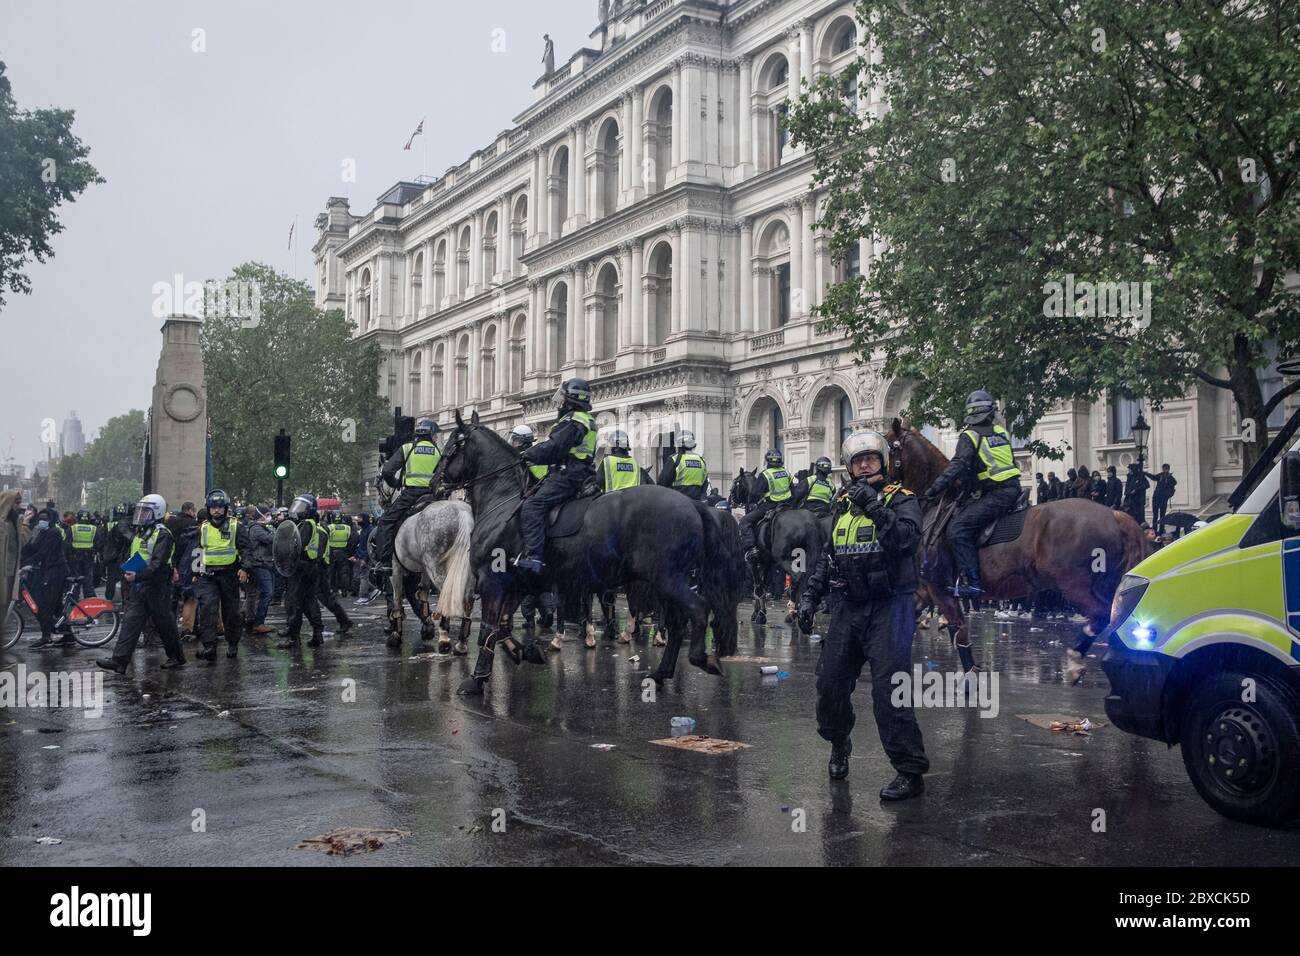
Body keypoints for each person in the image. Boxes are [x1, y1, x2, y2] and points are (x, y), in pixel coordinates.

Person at [797, 430, 928, 799]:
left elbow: (906, 540)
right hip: (848, 606)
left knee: (890, 691)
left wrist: (874, 506)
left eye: (871, 458)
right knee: (829, 687)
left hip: (890, 606)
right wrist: (809, 596)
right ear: (850, 467)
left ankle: (909, 772)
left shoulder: (902, 498)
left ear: (882, 462)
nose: (865, 465)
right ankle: (840, 741)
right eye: (858, 461)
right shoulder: (842, 504)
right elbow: (828, 556)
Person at [919, 390, 1023, 596]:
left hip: (995, 495)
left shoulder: (970, 436)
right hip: (1014, 489)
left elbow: (959, 465)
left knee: (958, 529)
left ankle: (973, 581)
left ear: (970, 414)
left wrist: (933, 490)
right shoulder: (1001, 432)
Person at [517, 379, 598, 575]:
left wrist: (527, 454)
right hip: (581, 472)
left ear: (572, 399)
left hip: (569, 474)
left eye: (563, 397)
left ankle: (534, 556)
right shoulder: (585, 418)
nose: (560, 402)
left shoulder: (573, 420)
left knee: (532, 505)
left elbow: (554, 448)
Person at [97, 495, 185, 673]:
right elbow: (137, 554)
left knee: (165, 623)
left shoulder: (163, 535)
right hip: (140, 585)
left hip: (157, 586)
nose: (141, 515)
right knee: (131, 621)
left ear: (157, 513)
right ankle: (119, 661)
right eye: (141, 511)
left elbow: (158, 564)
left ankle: (176, 657)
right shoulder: (142, 532)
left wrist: (137, 575)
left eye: (146, 512)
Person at [374, 418, 443, 564]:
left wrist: (395, 483)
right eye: (435, 435)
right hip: (433, 496)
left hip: (411, 495)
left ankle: (384, 563)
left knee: (385, 521)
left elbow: (387, 471)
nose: (436, 438)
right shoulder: (439, 452)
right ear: (430, 435)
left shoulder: (407, 448)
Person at [193, 489, 247, 662]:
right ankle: (209, 647)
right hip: (208, 576)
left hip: (229, 574)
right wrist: (195, 572)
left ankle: (232, 643)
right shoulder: (203, 527)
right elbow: (198, 550)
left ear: (225, 508)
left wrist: (245, 568)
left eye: (219, 507)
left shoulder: (235, 525)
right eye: (213, 507)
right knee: (207, 610)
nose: (216, 510)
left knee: (231, 612)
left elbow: (246, 549)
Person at [278, 493, 330, 649]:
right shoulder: (310, 524)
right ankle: (317, 634)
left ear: (310, 509)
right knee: (309, 602)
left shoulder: (306, 524)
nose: (298, 510)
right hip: (310, 568)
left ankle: (293, 637)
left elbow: (296, 546)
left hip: (302, 567)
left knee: (294, 602)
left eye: (302, 507)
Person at [20, 506, 74, 648]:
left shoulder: (54, 532)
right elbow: (34, 548)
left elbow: (43, 553)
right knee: (56, 606)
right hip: (48, 570)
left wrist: (25, 563)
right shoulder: (43, 532)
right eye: (40, 518)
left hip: (56, 571)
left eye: (45, 519)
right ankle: (68, 635)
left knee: (45, 605)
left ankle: (46, 637)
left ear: (51, 519)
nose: (42, 521)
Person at [738, 448, 794, 560]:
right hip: (787, 506)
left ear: (767, 461)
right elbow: (793, 490)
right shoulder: (786, 473)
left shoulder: (765, 474)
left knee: (745, 521)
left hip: (770, 505)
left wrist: (753, 501)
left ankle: (751, 549)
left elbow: (755, 494)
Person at [241, 506, 276, 634]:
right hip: (259, 564)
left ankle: (248, 618)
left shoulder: (257, 527)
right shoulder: (256, 528)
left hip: (255, 564)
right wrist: (279, 532)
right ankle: (259, 623)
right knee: (267, 592)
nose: (269, 517)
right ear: (261, 515)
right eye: (268, 514)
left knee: (252, 593)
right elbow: (271, 539)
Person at [0, 491, 27, 642]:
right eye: (16, 502)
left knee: (5, 606)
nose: (19, 506)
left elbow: (21, 542)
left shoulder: (14, 522)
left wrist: (27, 524)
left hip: (10, 573)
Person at [656, 430, 707, 500]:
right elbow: (705, 484)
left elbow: (662, 483)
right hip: (697, 501)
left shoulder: (674, 459)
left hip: (677, 500)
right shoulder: (701, 460)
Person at [100, 503, 133, 603]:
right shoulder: (126, 524)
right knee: (123, 578)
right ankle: (123, 599)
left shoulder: (108, 524)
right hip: (120, 555)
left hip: (111, 555)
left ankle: (109, 598)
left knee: (111, 578)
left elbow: (103, 538)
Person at [68, 509, 100, 600]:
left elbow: (67, 542)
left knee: (75, 577)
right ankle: (89, 597)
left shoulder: (73, 528)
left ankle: (73, 598)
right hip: (89, 556)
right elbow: (98, 542)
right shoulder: (94, 529)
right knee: (88, 577)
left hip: (75, 556)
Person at [1148, 463, 1177, 530]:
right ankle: (1154, 529)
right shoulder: (1160, 475)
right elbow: (1153, 477)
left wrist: (1169, 478)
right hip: (1156, 497)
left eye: (1166, 469)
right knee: (1155, 515)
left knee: (1162, 515)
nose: (1165, 470)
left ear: (1168, 469)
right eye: (1164, 469)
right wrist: (1146, 473)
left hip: (1163, 498)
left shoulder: (1170, 478)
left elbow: (1175, 483)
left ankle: (1161, 529)